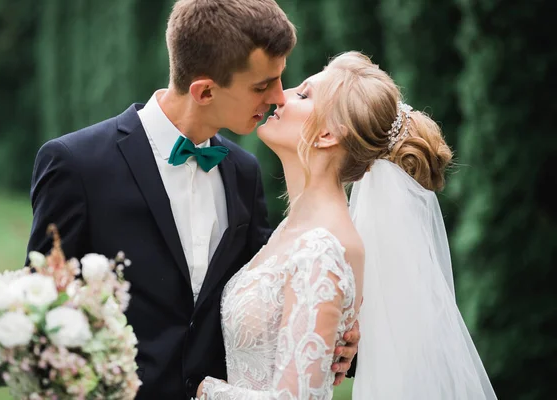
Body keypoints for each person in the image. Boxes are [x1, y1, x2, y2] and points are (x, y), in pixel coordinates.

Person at [26, 1, 359, 399]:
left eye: (278, 79)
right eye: (260, 86)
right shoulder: (76, 165)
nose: (278, 98)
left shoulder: (243, 171)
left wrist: (343, 342)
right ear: (204, 91)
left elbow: (268, 296)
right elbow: (41, 315)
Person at [194, 50, 496, 399]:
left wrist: (202, 391)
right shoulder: (292, 232)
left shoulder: (322, 249)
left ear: (326, 136)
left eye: (303, 95)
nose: (280, 95)